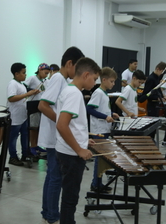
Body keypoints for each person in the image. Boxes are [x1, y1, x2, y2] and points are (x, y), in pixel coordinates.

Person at [38, 47, 85, 224]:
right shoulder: (58, 78)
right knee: (56, 178)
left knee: (52, 176)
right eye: (78, 67)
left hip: (56, 135)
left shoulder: (62, 80)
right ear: (69, 64)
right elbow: (43, 106)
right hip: (54, 137)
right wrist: (63, 123)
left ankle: (47, 210)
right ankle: (51, 214)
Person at [56, 57, 101, 224]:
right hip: (71, 155)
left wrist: (84, 140)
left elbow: (73, 125)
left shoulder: (69, 90)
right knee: (70, 198)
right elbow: (62, 125)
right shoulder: (74, 94)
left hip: (66, 150)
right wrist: (79, 149)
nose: (95, 83)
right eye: (95, 79)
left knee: (69, 196)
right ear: (86, 75)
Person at [86, 67, 119, 192]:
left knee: (102, 158)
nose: (113, 83)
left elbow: (102, 108)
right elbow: (89, 109)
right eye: (111, 81)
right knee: (99, 159)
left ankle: (99, 183)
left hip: (104, 128)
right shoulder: (98, 92)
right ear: (103, 80)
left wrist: (112, 113)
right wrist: (106, 117)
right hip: (98, 130)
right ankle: (95, 184)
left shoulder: (104, 93)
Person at [7, 63, 39, 166]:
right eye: (23, 73)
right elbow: (11, 98)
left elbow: (23, 97)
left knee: (25, 136)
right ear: (16, 74)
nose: (25, 75)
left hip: (23, 116)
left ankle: (25, 154)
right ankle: (13, 157)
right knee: (13, 138)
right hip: (15, 117)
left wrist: (32, 93)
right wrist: (27, 94)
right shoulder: (12, 83)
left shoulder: (21, 84)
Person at [24, 63, 50, 156]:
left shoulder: (46, 81)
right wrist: (31, 90)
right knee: (33, 127)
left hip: (42, 105)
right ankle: (32, 146)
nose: (46, 75)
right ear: (40, 70)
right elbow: (24, 88)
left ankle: (37, 145)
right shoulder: (32, 78)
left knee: (39, 127)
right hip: (33, 105)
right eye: (45, 73)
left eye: (47, 73)